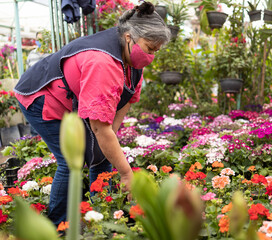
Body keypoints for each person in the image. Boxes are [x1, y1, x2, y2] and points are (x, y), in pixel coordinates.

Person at [14, 1, 170, 226]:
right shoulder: (102, 62)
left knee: (103, 154)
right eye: (149, 48)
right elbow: (99, 127)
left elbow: (127, 99)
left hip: (73, 99)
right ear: (129, 37)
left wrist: (109, 138)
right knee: (71, 162)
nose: (151, 56)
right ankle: (59, 225)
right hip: (41, 97)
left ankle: (101, 218)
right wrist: (126, 174)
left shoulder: (132, 58)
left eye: (156, 50)